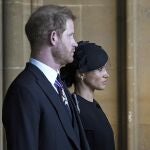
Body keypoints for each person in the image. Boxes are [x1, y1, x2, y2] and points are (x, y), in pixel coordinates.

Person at [2, 5, 90, 150]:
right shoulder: (24, 91)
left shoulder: (58, 84)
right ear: (54, 37)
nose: (75, 43)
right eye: (70, 35)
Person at [60, 41, 115, 150]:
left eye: (105, 68)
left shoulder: (94, 105)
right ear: (81, 73)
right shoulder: (73, 109)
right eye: (100, 69)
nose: (106, 75)